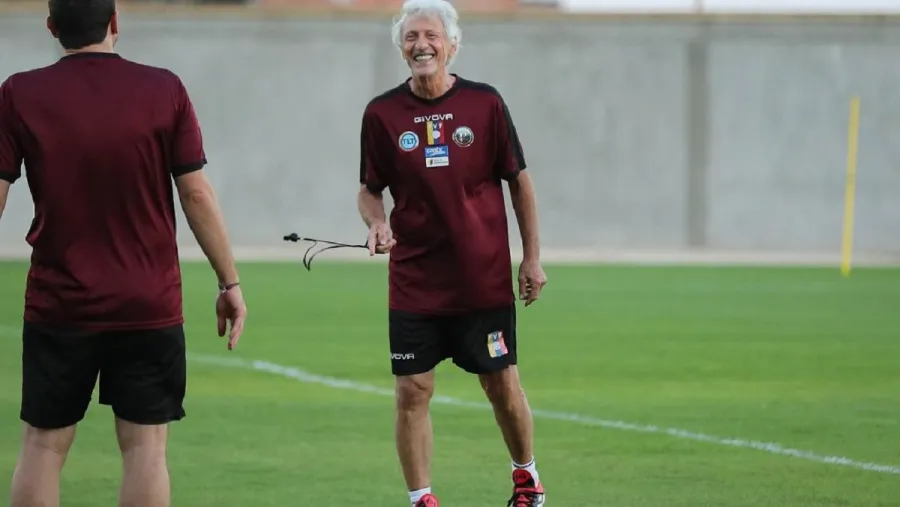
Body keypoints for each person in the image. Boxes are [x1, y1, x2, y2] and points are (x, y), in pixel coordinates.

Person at [0, 0, 247, 505]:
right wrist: (229, 283)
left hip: (59, 303)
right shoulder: (164, 89)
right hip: (147, 303)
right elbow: (196, 193)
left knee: (43, 446)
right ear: (115, 23)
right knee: (145, 449)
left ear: (52, 28)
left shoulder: (18, 93)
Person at [357, 1, 548, 506]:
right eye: (411, 37)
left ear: (452, 44)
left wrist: (530, 258)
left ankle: (527, 479)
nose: (421, 44)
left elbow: (519, 183)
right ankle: (421, 498)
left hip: (480, 280)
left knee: (501, 386)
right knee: (411, 392)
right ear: (401, 48)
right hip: (414, 282)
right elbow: (369, 188)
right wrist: (376, 222)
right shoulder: (381, 114)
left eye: (431, 35)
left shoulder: (484, 104)